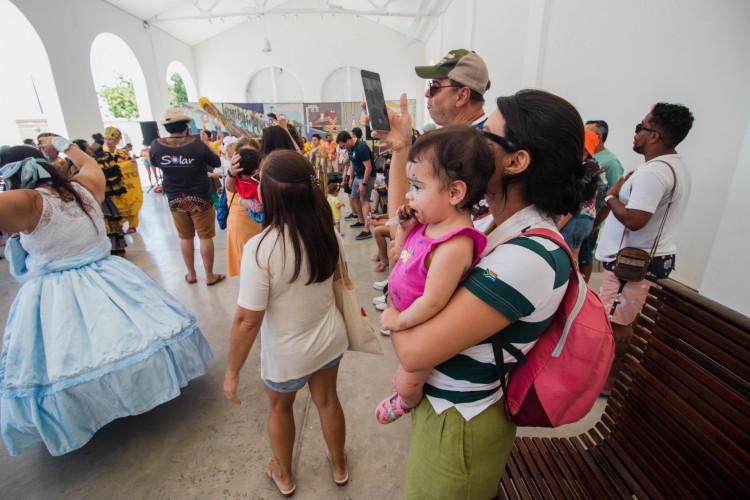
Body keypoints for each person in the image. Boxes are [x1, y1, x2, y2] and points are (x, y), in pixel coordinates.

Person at [374, 89, 598, 498]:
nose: (472, 141)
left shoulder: (530, 256)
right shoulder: (494, 227)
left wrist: (394, 302)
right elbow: (410, 239)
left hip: (460, 424)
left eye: (485, 137)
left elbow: (414, 352)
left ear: (516, 162)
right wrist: (404, 149)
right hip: (446, 409)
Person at [0, 140, 212, 456]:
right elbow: (88, 162)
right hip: (109, 272)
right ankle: (137, 391)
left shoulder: (26, 201)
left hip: (58, 291)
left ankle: (98, 407)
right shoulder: (83, 187)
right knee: (127, 335)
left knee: (75, 351)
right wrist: (62, 144)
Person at [223, 150, 349, 497]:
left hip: (286, 355)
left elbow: (247, 320)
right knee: (328, 401)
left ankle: (284, 473)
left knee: (280, 408)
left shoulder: (259, 249)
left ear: (271, 193)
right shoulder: (329, 234)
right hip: (329, 340)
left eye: (260, 179)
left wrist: (232, 371)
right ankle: (339, 464)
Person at [374, 125, 493, 425]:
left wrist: (397, 320)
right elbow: (403, 253)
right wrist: (405, 227)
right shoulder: (430, 222)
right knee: (402, 370)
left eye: (417, 186)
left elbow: (433, 302)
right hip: (405, 314)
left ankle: (406, 402)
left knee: (407, 382)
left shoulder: (455, 244)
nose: (408, 194)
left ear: (454, 192)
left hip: (419, 324)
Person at [595, 102, 694, 397]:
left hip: (633, 265)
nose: (635, 132)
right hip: (644, 260)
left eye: (641, 127)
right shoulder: (672, 166)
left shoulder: (655, 173)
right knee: (624, 320)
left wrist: (612, 197)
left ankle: (609, 384)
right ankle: (615, 378)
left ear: (655, 136)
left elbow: (636, 220)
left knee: (616, 323)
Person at [149, 108, 225, 286]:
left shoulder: (156, 144)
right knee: (205, 237)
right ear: (186, 127)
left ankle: (191, 274)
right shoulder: (196, 144)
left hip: (175, 199)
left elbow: (154, 162)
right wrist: (204, 144)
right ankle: (209, 276)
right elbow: (216, 162)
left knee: (185, 237)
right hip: (200, 197)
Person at [580, 119, 625, 281]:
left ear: (598, 137)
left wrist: (597, 222)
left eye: (587, 132)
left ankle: (581, 292)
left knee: (583, 256)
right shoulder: (586, 153)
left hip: (590, 218)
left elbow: (614, 193)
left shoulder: (611, 162)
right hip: (576, 215)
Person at [414, 49, 491, 127]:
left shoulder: (478, 138)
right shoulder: (461, 135)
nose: (427, 94)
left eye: (435, 86)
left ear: (462, 96)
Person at [558, 129, 604, 258]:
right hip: (585, 221)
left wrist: (559, 224)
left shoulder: (585, 169)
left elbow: (577, 199)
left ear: (584, 150)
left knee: (563, 259)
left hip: (574, 219)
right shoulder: (594, 166)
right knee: (573, 260)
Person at [224, 146, 263, 277]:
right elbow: (229, 188)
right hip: (243, 227)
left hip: (259, 225)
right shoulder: (239, 178)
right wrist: (231, 173)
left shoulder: (247, 180)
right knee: (249, 265)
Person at [103, 126, 142, 234]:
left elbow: (129, 165)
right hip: (112, 185)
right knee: (115, 205)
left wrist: (131, 162)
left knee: (130, 201)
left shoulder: (122, 154)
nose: (108, 141)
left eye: (110, 139)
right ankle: (118, 225)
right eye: (106, 139)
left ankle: (133, 225)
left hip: (125, 184)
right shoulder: (101, 154)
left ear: (116, 141)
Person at [336, 130, 374, 240]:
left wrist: (364, 184)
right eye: (342, 147)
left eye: (343, 146)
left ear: (348, 140)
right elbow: (352, 163)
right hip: (358, 176)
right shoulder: (351, 148)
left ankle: (367, 229)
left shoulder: (361, 147)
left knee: (365, 201)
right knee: (354, 197)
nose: (344, 149)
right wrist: (351, 177)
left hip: (367, 176)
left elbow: (369, 167)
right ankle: (361, 221)